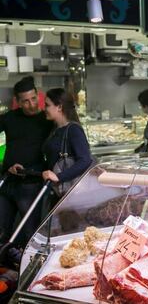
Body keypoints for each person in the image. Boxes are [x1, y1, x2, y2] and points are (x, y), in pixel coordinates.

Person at [0, 76, 53, 245]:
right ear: (17, 101)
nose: (31, 105)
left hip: (31, 184)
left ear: (38, 95)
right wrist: (5, 167)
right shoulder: (9, 118)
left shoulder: (47, 119)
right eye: (26, 101)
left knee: (32, 233)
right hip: (8, 182)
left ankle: (32, 268)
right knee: (2, 231)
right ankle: (6, 266)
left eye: (33, 98)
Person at [42, 88, 92, 203]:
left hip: (70, 194)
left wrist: (59, 177)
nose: (44, 109)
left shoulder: (74, 130)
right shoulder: (55, 129)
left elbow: (85, 160)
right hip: (56, 191)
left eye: (47, 105)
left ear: (59, 107)